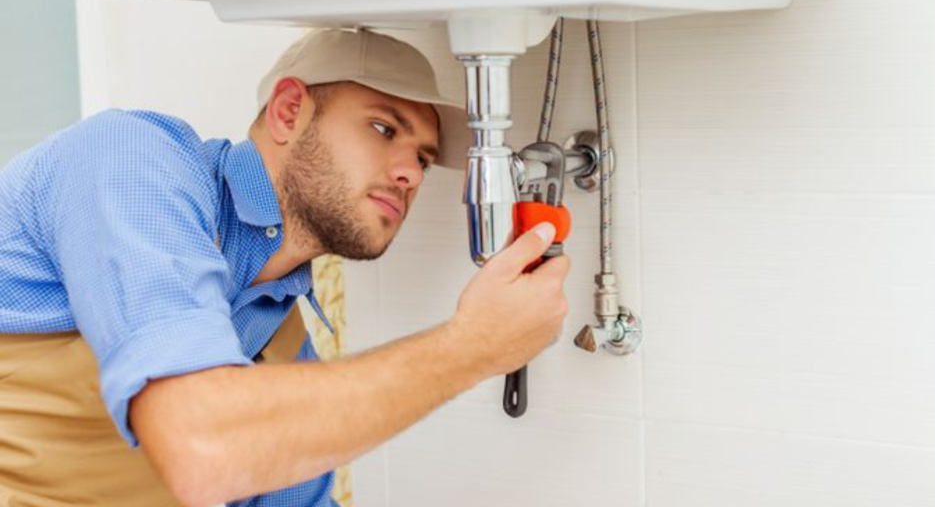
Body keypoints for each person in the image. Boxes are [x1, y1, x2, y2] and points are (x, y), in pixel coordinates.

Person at [0, 28, 570, 506]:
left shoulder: (277, 327)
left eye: (422, 157)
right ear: (289, 110)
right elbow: (204, 447)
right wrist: (472, 345)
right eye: (383, 128)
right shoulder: (129, 161)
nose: (411, 174)